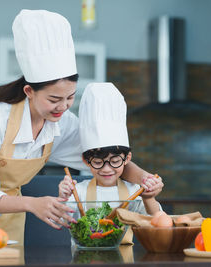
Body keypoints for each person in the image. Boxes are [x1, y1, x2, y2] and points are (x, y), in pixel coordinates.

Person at [0, 9, 161, 245]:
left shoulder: (63, 124)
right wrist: (33, 203)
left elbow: (104, 156)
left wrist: (144, 178)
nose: (64, 107)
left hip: (7, 220)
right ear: (29, 92)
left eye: (70, 97)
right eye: (54, 100)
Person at [58, 82, 163, 244]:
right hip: (84, 257)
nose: (107, 169)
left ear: (127, 159)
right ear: (86, 161)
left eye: (114, 161)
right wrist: (63, 197)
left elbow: (156, 221)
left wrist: (148, 198)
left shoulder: (134, 191)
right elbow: (61, 221)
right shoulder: (79, 192)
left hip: (124, 256)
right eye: (98, 162)